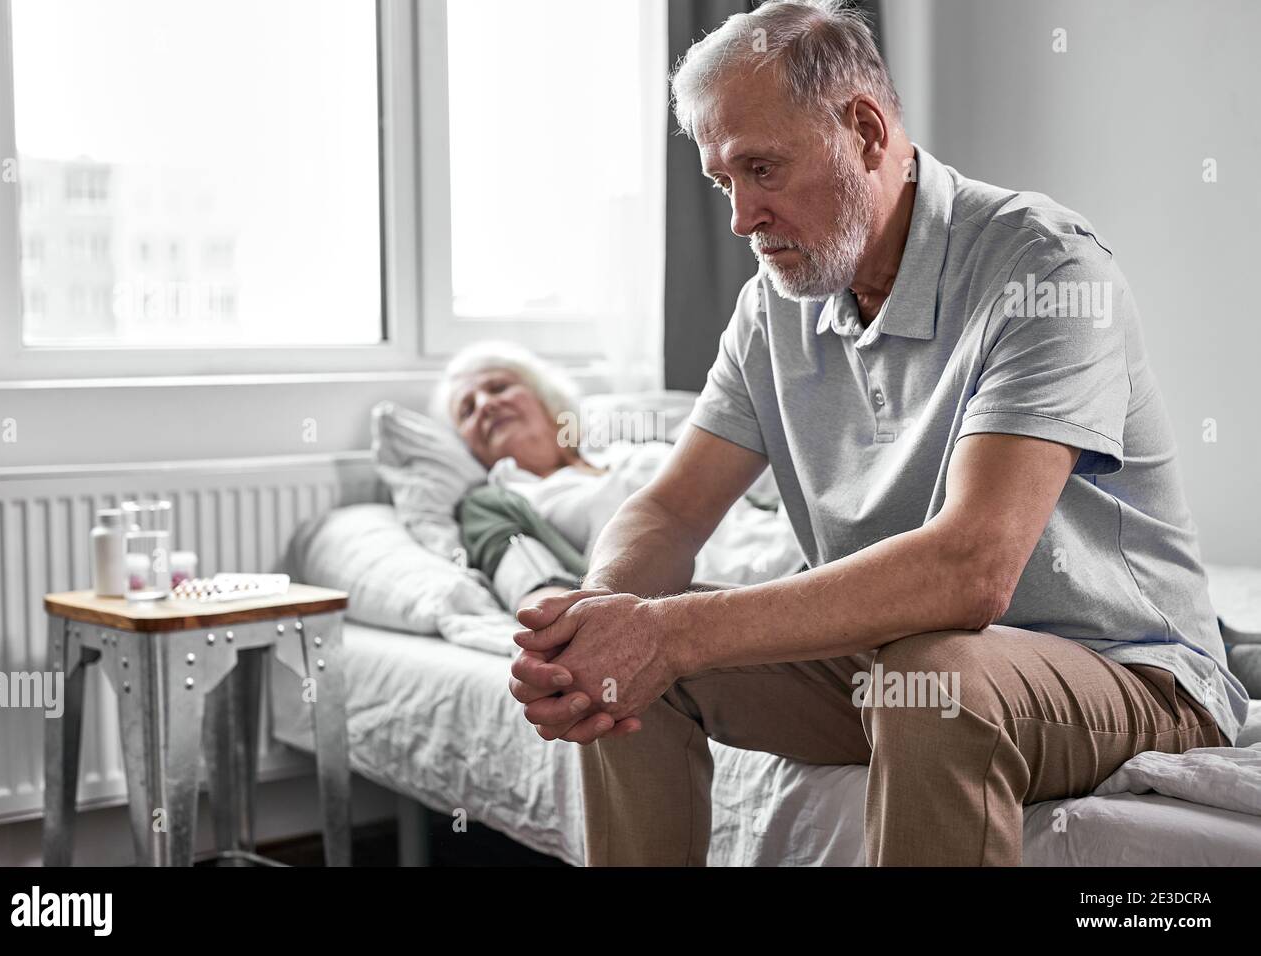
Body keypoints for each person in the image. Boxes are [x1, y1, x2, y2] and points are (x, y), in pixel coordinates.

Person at [504, 0, 1249, 866]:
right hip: (894, 661)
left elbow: (971, 569)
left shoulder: (1043, 266)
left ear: (863, 130)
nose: (742, 217)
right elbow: (668, 514)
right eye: (722, 181)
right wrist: (602, 622)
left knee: (933, 683)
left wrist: (670, 631)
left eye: (763, 169)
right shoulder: (770, 308)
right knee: (633, 671)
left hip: (1126, 670)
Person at [431, 340, 805, 614]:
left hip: (801, 553)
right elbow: (529, 580)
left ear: (544, 399)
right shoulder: (496, 499)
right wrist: (560, 626)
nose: (486, 405)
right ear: (468, 445)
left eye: (498, 388)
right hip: (725, 600)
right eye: (467, 410)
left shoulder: (625, 447)